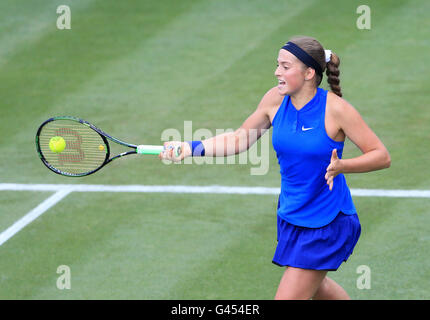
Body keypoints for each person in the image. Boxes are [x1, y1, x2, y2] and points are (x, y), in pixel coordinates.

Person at [159, 35, 391, 300]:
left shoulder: (336, 110)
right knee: (317, 287)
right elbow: (240, 138)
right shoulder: (275, 100)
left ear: (308, 73)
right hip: (292, 214)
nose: (276, 72)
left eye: (285, 66)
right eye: (277, 65)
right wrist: (190, 148)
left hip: (326, 220)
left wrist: (343, 166)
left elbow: (381, 155)